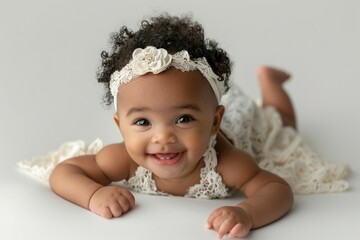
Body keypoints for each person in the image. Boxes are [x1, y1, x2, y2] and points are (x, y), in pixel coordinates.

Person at [48, 14, 349, 239]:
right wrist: (92, 195)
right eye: (142, 122)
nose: (163, 136)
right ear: (120, 125)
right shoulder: (123, 160)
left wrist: (247, 212)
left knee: (280, 128)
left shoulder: (225, 163)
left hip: (243, 119)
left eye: (184, 119)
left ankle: (270, 83)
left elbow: (277, 189)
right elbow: (65, 172)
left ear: (214, 121)